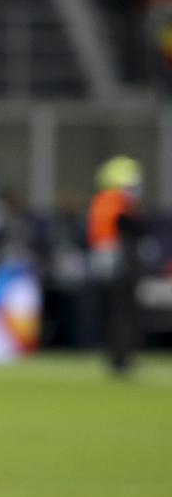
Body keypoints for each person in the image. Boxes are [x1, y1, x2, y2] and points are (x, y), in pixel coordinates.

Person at [87, 155, 145, 375]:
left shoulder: (100, 201)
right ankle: (121, 357)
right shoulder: (115, 202)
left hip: (108, 264)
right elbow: (131, 226)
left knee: (113, 313)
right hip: (121, 265)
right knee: (123, 313)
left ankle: (117, 356)